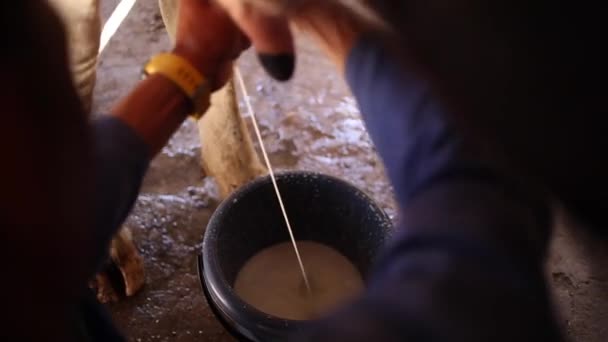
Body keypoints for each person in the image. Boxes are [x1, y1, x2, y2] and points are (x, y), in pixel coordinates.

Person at [1, 0, 604, 341]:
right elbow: (477, 201)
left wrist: (189, 64)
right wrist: (325, 18)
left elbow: (53, 194)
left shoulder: (24, 251)